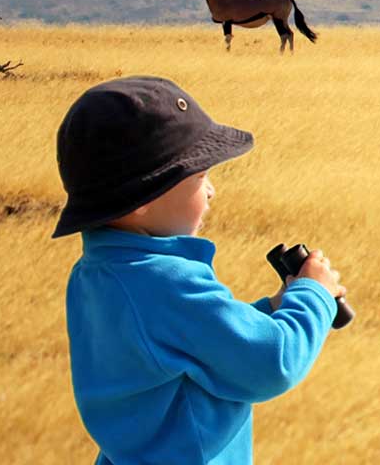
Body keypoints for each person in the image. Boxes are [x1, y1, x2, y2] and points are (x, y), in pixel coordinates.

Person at [52, 76, 348, 464]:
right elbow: (270, 362)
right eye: (200, 177)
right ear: (144, 196)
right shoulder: (163, 280)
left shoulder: (97, 272)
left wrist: (272, 311)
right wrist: (314, 295)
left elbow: (191, 347)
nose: (211, 192)